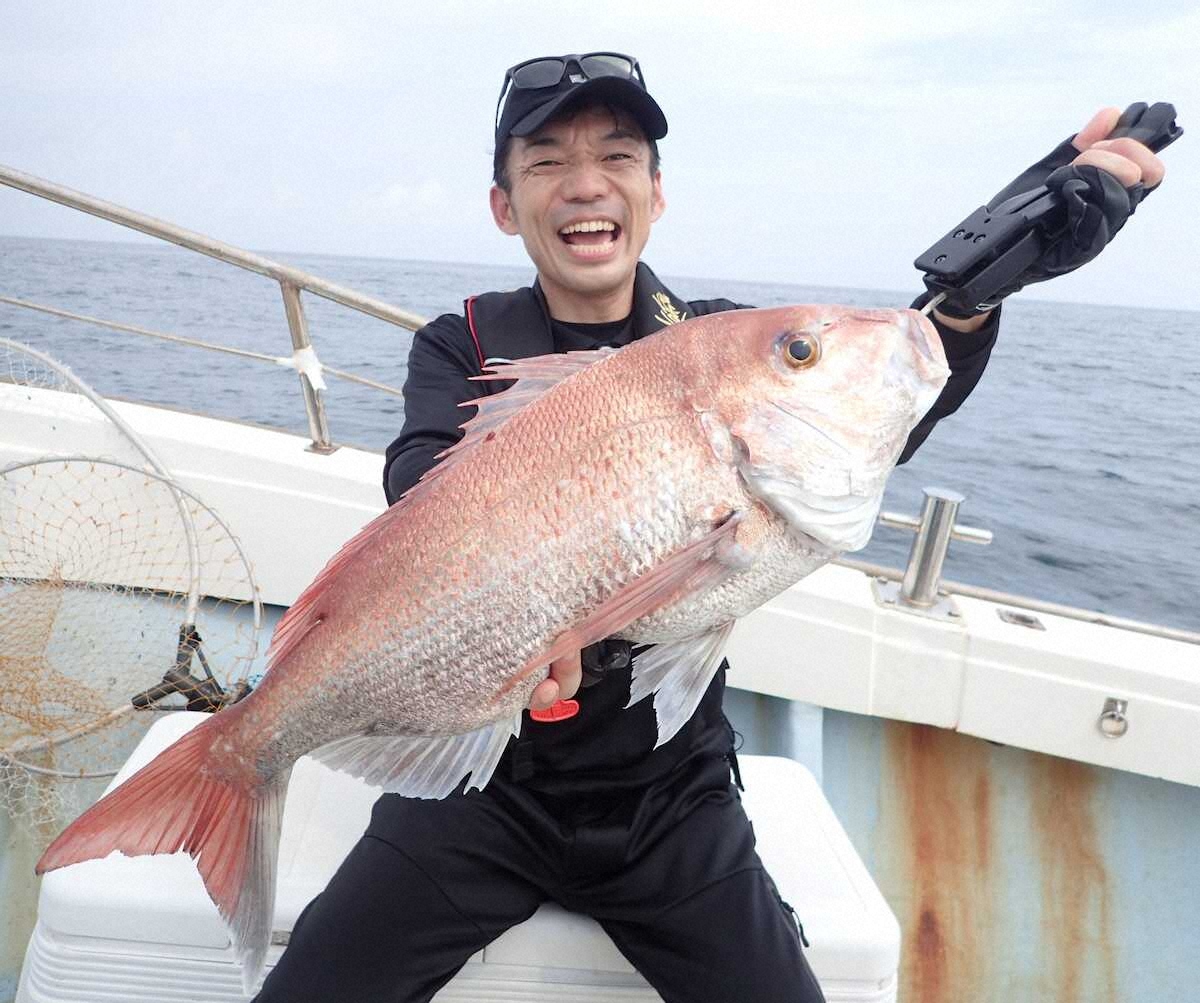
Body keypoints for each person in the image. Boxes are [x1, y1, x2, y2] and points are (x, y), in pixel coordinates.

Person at [254, 54, 1166, 1003]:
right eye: (547, 161)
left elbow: (882, 408)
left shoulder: (721, 339)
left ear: (656, 193)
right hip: (482, 792)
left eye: (618, 155)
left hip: (671, 800)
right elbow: (418, 480)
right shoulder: (462, 345)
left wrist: (983, 280)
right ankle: (242, 770)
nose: (585, 184)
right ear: (503, 205)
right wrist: (520, 595)